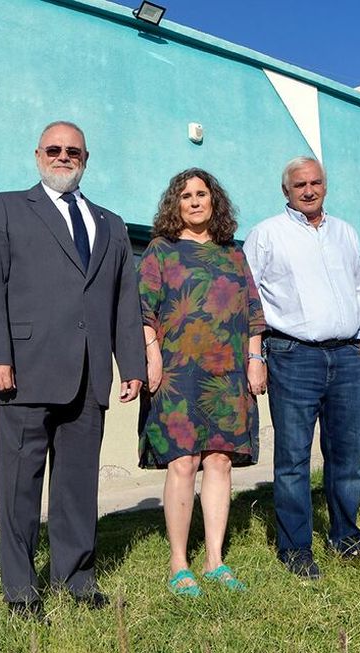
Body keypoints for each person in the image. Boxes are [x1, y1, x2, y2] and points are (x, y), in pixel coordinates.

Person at [0, 121, 146, 618]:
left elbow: (123, 299)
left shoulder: (110, 223)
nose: (63, 156)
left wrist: (130, 362)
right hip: (25, 369)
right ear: (37, 155)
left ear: (86, 158)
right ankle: (22, 591)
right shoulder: (6, 207)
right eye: (54, 149)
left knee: (77, 485)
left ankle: (75, 578)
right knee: (19, 487)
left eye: (73, 151)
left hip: (89, 374)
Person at [137, 168, 266, 596]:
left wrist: (254, 359)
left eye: (201, 194)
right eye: (185, 195)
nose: (194, 201)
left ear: (215, 201)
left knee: (220, 461)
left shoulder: (234, 254)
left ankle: (215, 560)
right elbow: (143, 311)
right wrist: (152, 355)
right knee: (182, 462)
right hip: (177, 373)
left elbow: (252, 312)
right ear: (175, 204)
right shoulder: (161, 251)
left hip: (228, 371)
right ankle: (178, 563)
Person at [243, 156, 360, 579]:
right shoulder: (265, 235)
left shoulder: (346, 233)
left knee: (348, 457)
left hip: (346, 357)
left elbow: (358, 287)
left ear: (325, 186)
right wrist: (255, 356)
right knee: (294, 460)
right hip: (292, 357)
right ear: (286, 191)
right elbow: (250, 302)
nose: (309, 190)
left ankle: (347, 539)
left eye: (316, 182)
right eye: (300, 185)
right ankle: (296, 549)